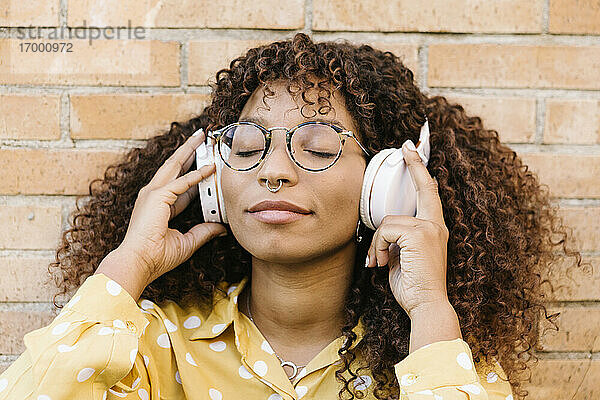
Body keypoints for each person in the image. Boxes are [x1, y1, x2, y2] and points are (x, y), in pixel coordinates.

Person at [0, 32, 587, 400]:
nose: (273, 170)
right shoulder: (153, 346)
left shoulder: (434, 358)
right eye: (249, 146)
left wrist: (430, 308)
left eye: (319, 145)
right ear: (212, 179)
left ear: (387, 186)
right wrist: (129, 263)